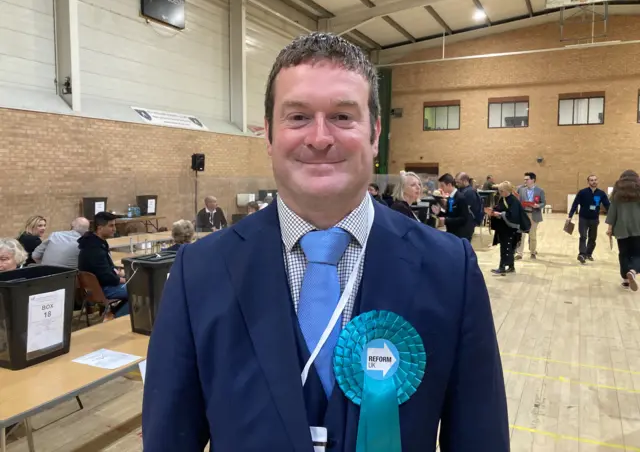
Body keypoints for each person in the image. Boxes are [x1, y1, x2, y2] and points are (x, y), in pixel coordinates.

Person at [142, 32, 508, 451]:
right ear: (268, 135)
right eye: (297, 117)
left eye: (342, 116)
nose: (319, 137)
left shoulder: (450, 269)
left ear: (374, 134)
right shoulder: (198, 273)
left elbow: (481, 438)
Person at [77, 212, 129, 317]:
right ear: (100, 228)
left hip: (99, 287)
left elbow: (106, 269)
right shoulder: (95, 250)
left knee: (138, 288)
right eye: (111, 226)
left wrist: (120, 274)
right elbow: (105, 276)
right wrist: (125, 279)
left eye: (115, 225)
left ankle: (113, 313)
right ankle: (115, 316)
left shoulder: (93, 242)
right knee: (141, 291)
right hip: (103, 289)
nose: (114, 229)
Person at [606, 170, 640, 290]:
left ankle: (626, 280)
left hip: (621, 228)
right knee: (637, 253)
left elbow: (612, 211)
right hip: (638, 228)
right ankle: (633, 271)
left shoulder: (617, 192)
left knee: (624, 254)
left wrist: (610, 228)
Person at [568, 175, 611, 264]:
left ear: (597, 181)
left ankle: (588, 253)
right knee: (583, 236)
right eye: (591, 180)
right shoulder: (582, 192)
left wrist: (612, 217)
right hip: (583, 218)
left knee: (592, 238)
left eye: (595, 180)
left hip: (594, 219)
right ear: (588, 182)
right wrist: (570, 216)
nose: (594, 182)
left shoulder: (601, 193)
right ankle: (582, 254)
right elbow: (575, 204)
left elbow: (607, 206)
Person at [490, 182, 529, 276]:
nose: (500, 193)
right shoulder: (504, 198)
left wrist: (500, 214)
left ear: (506, 191)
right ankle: (511, 267)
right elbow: (501, 208)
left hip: (510, 230)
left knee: (506, 248)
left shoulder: (513, 200)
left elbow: (513, 216)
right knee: (508, 248)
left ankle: (502, 267)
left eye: (501, 191)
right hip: (504, 228)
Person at [516, 172, 545, 260]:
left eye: (527, 179)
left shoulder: (540, 190)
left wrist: (538, 206)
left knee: (532, 234)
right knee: (521, 234)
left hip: (534, 214)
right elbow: (518, 201)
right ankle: (519, 253)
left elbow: (544, 202)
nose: (525, 181)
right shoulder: (521, 190)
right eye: (524, 179)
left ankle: (532, 252)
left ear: (533, 180)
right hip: (524, 214)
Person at [437, 173, 474, 241]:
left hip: (461, 233)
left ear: (449, 185)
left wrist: (445, 220)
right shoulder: (451, 197)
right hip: (452, 231)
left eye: (442, 186)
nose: (441, 188)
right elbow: (450, 212)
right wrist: (439, 212)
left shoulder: (461, 198)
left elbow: (464, 218)